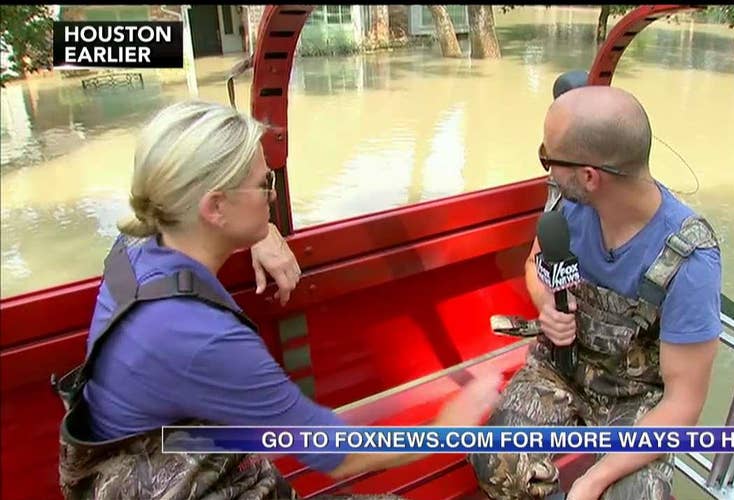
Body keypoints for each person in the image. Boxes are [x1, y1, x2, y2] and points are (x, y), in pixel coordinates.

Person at [54, 100, 501, 499]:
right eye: (263, 183)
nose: (272, 194)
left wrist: (259, 232)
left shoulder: (136, 246)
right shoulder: (202, 337)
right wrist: (446, 428)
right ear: (215, 207)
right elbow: (334, 454)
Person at [470, 85, 722, 500]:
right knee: (497, 460)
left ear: (589, 177)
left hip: (633, 395)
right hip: (559, 367)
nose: (547, 171)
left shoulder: (689, 260)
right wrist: (546, 306)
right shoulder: (566, 204)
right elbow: (535, 265)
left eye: (548, 158)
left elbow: (682, 405)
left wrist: (593, 480)